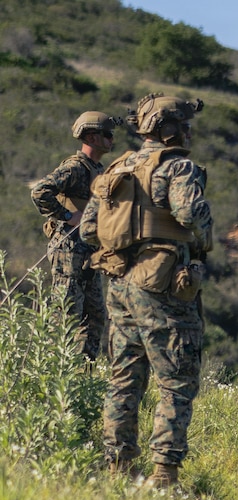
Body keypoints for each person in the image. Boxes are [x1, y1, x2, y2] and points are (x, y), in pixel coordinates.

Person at [81, 93, 213, 487]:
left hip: (119, 285)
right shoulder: (178, 167)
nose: (189, 133)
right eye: (185, 126)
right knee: (177, 380)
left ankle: (119, 467)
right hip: (162, 286)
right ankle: (164, 475)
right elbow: (190, 213)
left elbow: (88, 230)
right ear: (168, 129)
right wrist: (200, 230)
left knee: (124, 377)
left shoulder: (117, 167)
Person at [30, 111, 118, 360]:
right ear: (91, 137)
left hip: (90, 254)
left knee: (95, 317)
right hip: (69, 252)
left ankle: (84, 373)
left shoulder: (97, 170)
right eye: (107, 134)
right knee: (66, 316)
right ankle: (53, 370)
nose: (111, 140)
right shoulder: (75, 168)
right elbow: (40, 192)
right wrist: (68, 216)